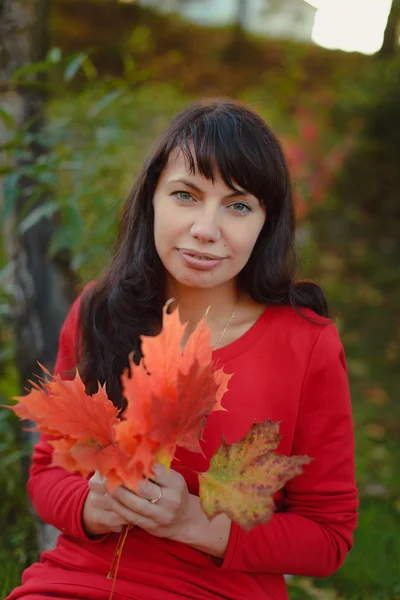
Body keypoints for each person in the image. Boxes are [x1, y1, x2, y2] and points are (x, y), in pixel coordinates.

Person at [7, 99, 358, 600]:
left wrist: (196, 522)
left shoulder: (306, 344)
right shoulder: (99, 312)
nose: (206, 230)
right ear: (152, 198)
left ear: (266, 223)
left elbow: (329, 536)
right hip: (76, 584)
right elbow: (47, 472)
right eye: (186, 195)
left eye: (238, 206)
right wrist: (91, 506)